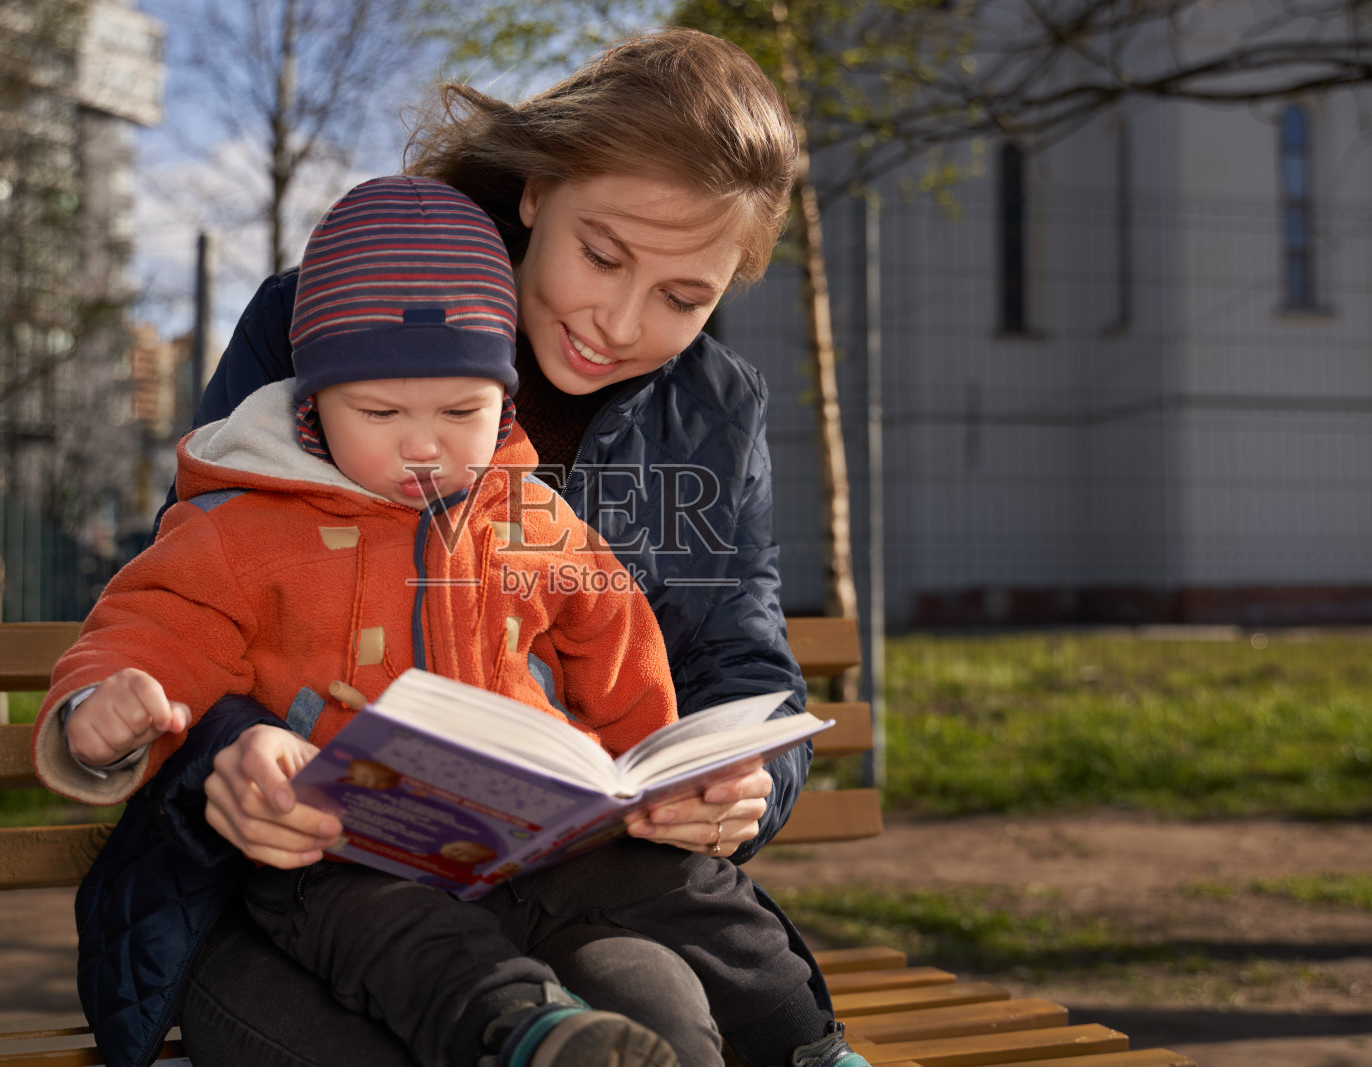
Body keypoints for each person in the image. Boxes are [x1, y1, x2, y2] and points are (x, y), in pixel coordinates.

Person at [44, 26, 851, 1067]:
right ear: (534, 190)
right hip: (291, 882)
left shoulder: (708, 410)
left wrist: (746, 780)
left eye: (682, 297)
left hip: (557, 873)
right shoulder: (325, 318)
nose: (616, 320)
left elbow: (731, 653)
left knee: (664, 1029)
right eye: (601, 254)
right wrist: (226, 761)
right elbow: (201, 596)